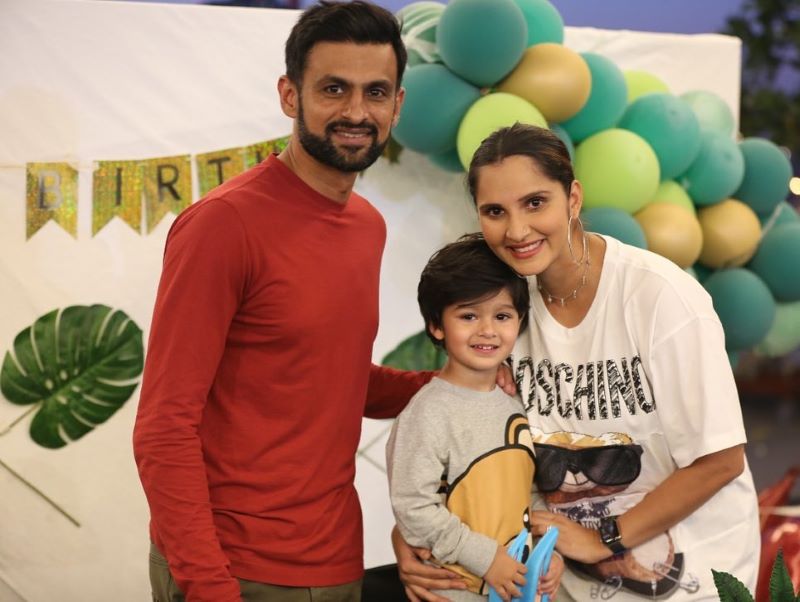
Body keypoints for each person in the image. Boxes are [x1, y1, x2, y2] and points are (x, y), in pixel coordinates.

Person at [132, 2, 435, 600]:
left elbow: (328, 376)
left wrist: (456, 387)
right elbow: (164, 426)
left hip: (337, 560)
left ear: (397, 104)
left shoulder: (366, 226)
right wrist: (207, 584)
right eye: (333, 89)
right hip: (234, 569)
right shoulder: (224, 224)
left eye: (375, 92)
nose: (356, 112)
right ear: (290, 95)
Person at [391, 123, 760, 602]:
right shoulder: (502, 312)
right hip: (561, 583)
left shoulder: (659, 296)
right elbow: (458, 437)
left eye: (535, 203)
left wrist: (606, 537)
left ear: (573, 199)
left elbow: (720, 460)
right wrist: (413, 534)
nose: (516, 230)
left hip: (693, 580)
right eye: (495, 211)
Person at [386, 235, 564, 602]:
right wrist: (487, 559)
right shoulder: (427, 413)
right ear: (437, 326)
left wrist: (548, 552)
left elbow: (528, 492)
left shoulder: (517, 403)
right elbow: (414, 508)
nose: (487, 330)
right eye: (468, 316)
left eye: (502, 316)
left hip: (517, 590)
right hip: (453, 592)